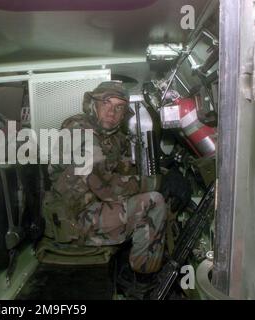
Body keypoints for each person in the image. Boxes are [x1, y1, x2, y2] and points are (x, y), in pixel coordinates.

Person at [43, 81, 167, 280]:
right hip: (74, 219)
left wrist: (161, 172)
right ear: (93, 105)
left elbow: (124, 170)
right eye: (106, 104)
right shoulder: (78, 128)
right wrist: (156, 182)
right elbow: (104, 184)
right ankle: (145, 277)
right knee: (154, 201)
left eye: (119, 107)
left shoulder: (115, 138)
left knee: (153, 197)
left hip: (93, 209)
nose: (112, 112)